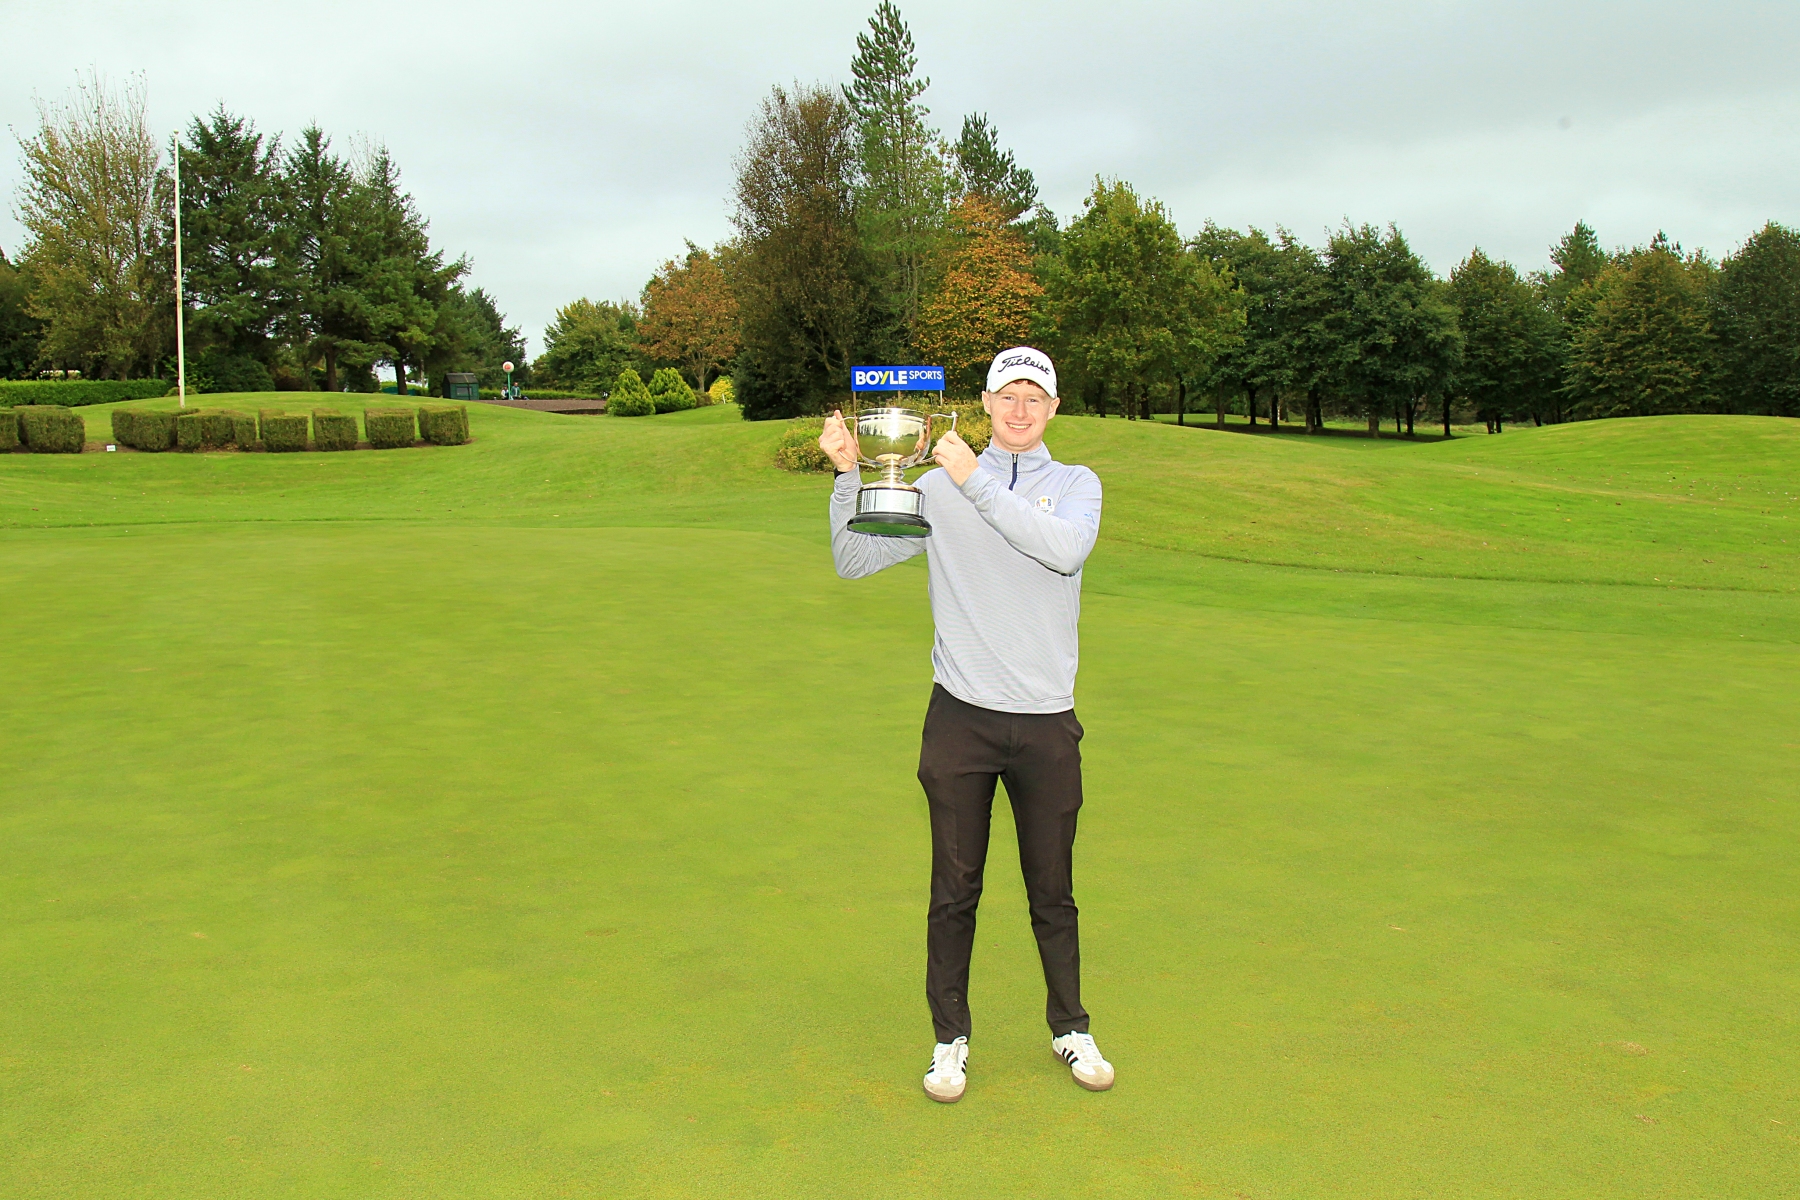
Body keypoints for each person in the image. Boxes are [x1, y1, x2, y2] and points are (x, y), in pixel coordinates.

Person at [819, 347, 1114, 1104]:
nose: (1020, 409)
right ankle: (949, 1039)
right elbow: (854, 559)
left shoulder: (1075, 485)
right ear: (984, 403)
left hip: (1045, 721)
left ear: (1053, 409)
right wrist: (849, 474)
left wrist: (973, 480)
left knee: (1053, 890)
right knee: (955, 891)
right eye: (1007, 395)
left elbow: (1063, 550)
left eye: (1034, 397)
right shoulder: (938, 487)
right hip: (961, 718)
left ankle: (1070, 1026)